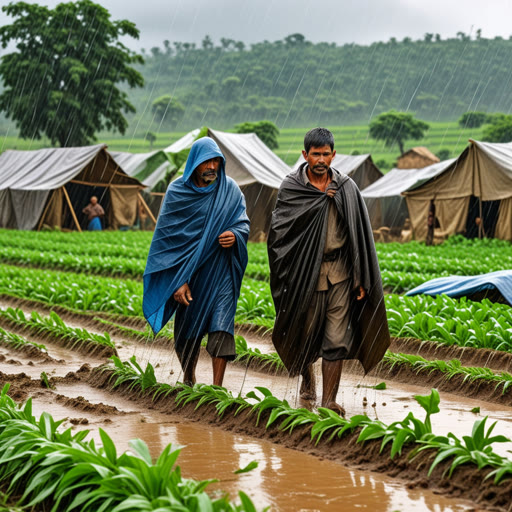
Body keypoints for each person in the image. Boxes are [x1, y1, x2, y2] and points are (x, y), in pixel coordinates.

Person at [268, 127, 390, 415]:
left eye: (326, 154)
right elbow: (279, 235)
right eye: (315, 154)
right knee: (305, 331)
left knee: (337, 338)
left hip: (341, 273)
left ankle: (328, 400)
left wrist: (361, 277)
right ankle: (307, 377)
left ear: (334, 155)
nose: (321, 160)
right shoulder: (292, 187)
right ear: (304, 154)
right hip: (304, 273)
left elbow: (359, 235)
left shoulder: (347, 187)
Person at [143, 137, 250, 387]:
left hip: (221, 270)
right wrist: (178, 281)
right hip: (190, 275)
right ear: (194, 163)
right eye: (206, 161)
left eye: (215, 161)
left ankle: (216, 388)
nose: (212, 166)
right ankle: (189, 377)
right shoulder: (177, 192)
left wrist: (235, 234)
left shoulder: (230, 189)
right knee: (187, 334)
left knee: (222, 327)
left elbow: (242, 221)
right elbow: (166, 240)